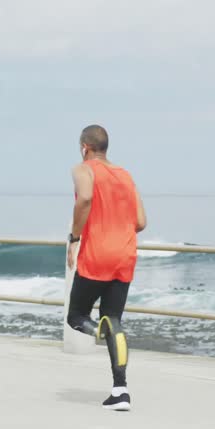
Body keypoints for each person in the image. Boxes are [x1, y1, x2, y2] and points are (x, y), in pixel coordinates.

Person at [65, 124, 146, 411]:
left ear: (84, 147)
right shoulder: (125, 175)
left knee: (76, 316)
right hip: (125, 255)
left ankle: (101, 331)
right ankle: (120, 391)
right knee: (114, 319)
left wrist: (75, 238)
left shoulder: (83, 169)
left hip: (97, 255)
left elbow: (86, 198)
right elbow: (140, 222)